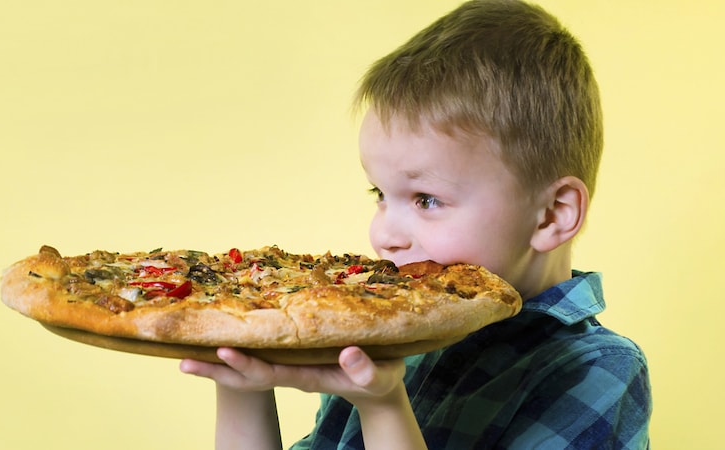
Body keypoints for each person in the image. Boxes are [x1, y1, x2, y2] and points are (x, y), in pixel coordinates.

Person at [179, 0, 652, 448]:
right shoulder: (384, 331)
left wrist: (383, 407)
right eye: (380, 195)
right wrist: (239, 371)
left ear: (552, 214)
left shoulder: (598, 371)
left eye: (426, 199)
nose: (384, 234)